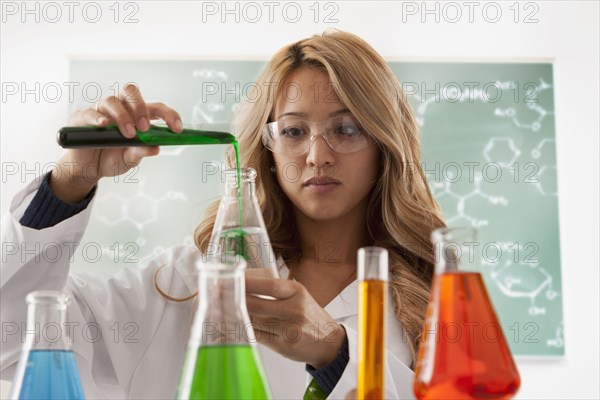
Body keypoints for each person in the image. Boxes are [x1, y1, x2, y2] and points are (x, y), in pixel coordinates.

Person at [0, 29, 445, 399]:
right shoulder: (181, 285)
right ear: (268, 148)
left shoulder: (435, 299)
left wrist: (333, 350)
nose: (316, 155)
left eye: (345, 129)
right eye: (293, 130)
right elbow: (12, 339)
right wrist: (69, 184)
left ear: (385, 144)